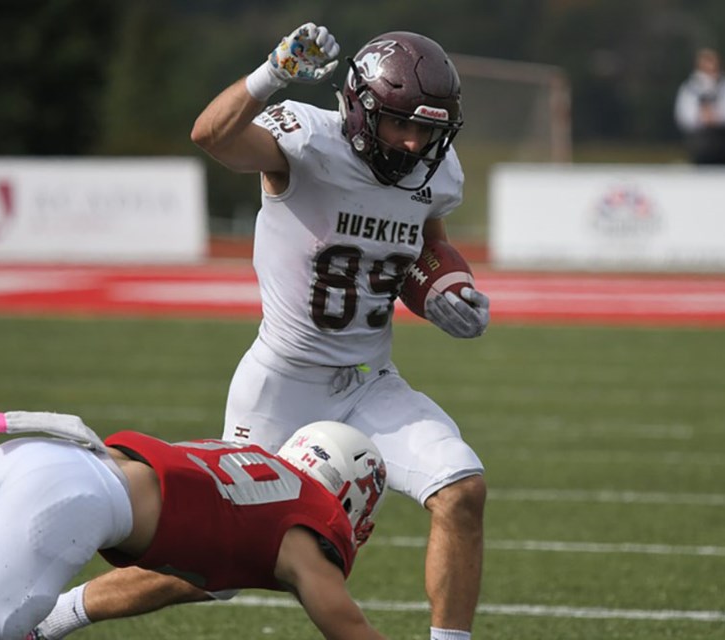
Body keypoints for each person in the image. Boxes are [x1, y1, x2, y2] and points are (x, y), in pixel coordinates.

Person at [32, 22, 490, 640]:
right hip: (283, 385)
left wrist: (447, 291)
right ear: (359, 110)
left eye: (428, 130)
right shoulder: (310, 141)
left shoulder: (438, 172)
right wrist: (272, 72)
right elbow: (212, 135)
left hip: (372, 382)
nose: (413, 144)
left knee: (461, 491)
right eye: (400, 124)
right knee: (217, 566)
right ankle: (51, 616)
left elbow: (424, 245)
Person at [0, 410, 388, 640]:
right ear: (348, 491)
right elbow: (349, 628)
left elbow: (197, 574)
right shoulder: (307, 526)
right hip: (66, 498)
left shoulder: (258, 475)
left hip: (34, 455)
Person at [674, 47, 725, 165]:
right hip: (698, 145)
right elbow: (684, 116)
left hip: (724, 145)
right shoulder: (689, 88)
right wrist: (702, 117)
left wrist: (715, 116)